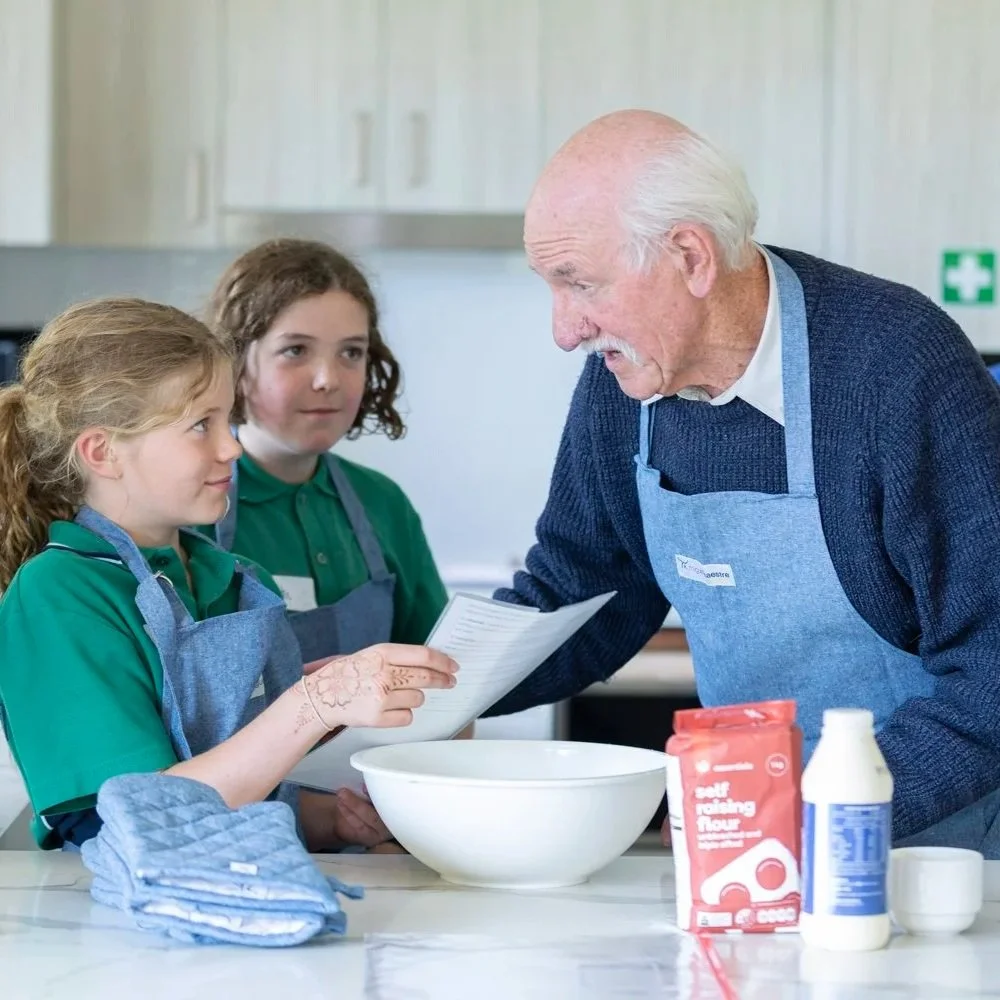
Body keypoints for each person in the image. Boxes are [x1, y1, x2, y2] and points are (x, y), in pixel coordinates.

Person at [482, 109, 1000, 855]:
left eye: (580, 283)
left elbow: (992, 669)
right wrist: (428, 683)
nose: (565, 330)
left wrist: (807, 815)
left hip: (938, 855)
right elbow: (582, 592)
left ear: (691, 257)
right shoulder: (621, 384)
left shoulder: (897, 368)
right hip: (756, 844)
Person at [0, 298, 457, 851]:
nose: (232, 446)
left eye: (227, 418)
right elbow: (138, 817)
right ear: (103, 452)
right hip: (121, 923)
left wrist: (332, 819)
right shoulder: (59, 595)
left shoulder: (230, 576)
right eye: (201, 426)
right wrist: (313, 704)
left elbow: (247, 788)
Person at [205, 238, 449, 667]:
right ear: (237, 362)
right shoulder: (192, 503)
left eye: (351, 353)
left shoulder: (383, 503)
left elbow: (440, 674)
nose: (327, 379)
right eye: (295, 350)